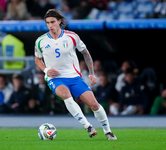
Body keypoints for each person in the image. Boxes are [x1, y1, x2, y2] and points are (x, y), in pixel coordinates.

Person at [34, 9, 117, 140]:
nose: (50, 25)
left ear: (59, 21)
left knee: (94, 104)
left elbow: (85, 53)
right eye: (47, 23)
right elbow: (37, 59)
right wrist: (46, 70)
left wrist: (91, 73)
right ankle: (88, 126)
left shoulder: (72, 36)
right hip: (55, 78)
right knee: (66, 95)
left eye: (52, 22)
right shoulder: (41, 41)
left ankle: (108, 132)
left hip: (74, 77)